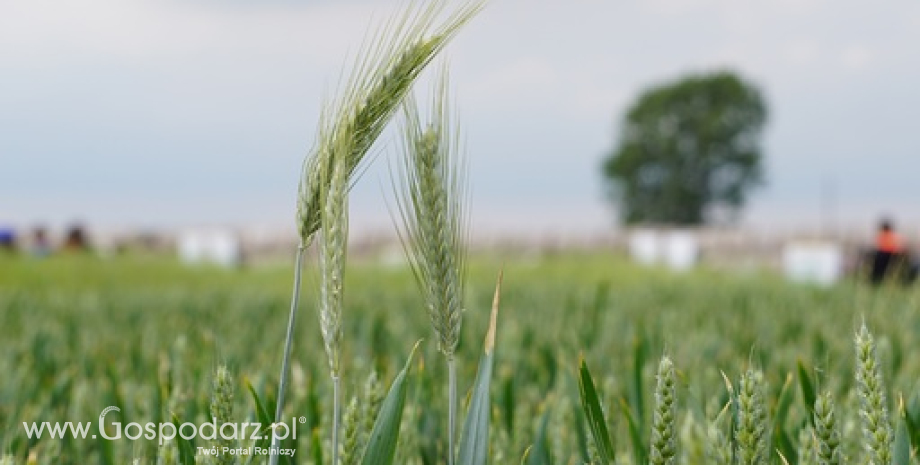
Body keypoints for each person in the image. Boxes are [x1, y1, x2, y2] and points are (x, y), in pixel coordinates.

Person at [869, 218, 914, 285]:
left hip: (887, 258)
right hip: (892, 258)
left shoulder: (883, 236)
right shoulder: (894, 236)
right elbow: (903, 248)